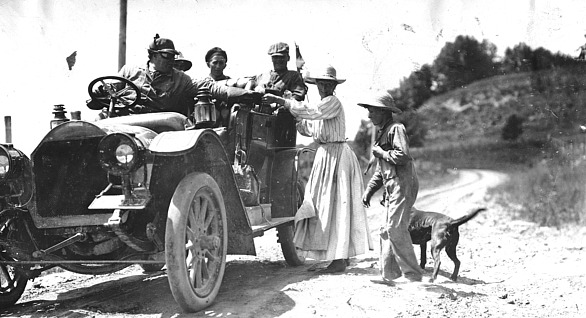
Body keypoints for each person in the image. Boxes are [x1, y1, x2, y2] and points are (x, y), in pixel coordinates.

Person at [262, 65, 372, 273]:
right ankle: (339, 256)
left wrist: (284, 102)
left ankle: (339, 259)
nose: (324, 87)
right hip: (325, 155)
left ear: (333, 86)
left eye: (328, 84)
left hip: (337, 155)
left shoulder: (332, 102)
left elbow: (312, 113)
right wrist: (295, 116)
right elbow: (309, 127)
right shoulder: (323, 106)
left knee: (335, 205)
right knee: (326, 205)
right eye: (321, 83)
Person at [92, 36, 259, 117]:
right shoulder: (130, 71)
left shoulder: (181, 80)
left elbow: (214, 88)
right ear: (153, 55)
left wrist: (248, 94)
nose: (171, 60)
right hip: (124, 121)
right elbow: (110, 90)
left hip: (158, 126)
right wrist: (101, 92)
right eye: (166, 55)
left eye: (173, 55)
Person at [359, 91, 423, 283]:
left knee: (395, 228)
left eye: (372, 112)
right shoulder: (383, 132)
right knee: (388, 229)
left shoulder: (396, 128)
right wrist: (370, 189)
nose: (369, 116)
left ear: (384, 112)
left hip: (402, 184)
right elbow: (381, 169)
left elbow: (402, 156)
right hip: (392, 185)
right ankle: (390, 274)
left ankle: (412, 275)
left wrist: (380, 152)